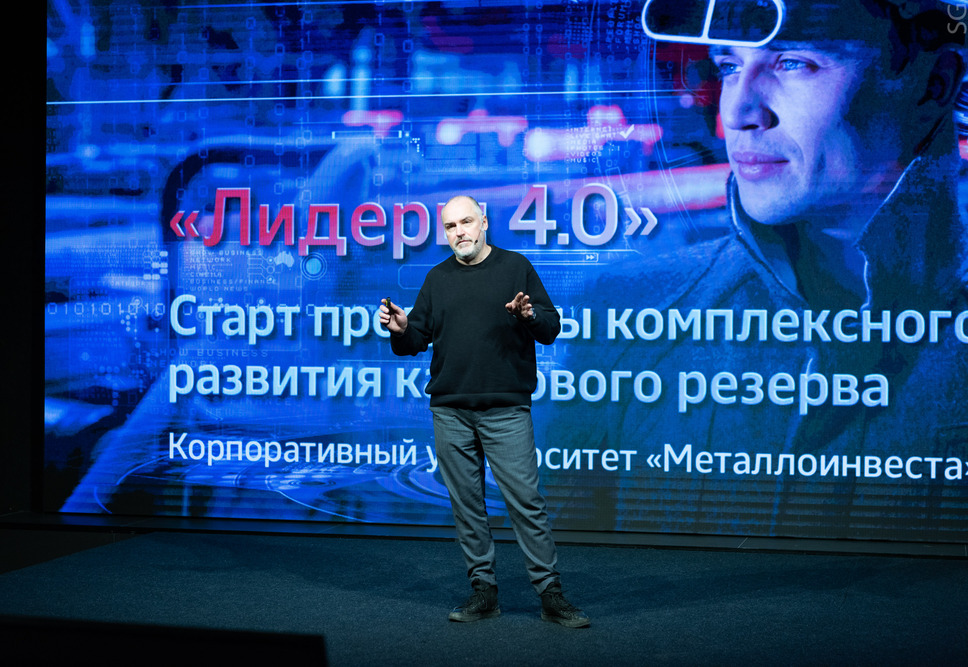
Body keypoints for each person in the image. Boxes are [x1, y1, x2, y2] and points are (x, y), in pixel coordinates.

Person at [551, 0, 967, 537]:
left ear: (934, 85)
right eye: (729, 66)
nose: (739, 111)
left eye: (793, 63)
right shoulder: (626, 314)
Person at [379, 194, 590, 628]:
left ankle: (550, 594)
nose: (459, 232)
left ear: (484, 223)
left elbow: (551, 327)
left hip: (505, 410)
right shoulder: (437, 278)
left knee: (526, 504)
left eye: (466, 222)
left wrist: (528, 315)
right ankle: (484, 592)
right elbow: (414, 339)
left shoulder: (515, 267)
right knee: (467, 506)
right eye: (451, 226)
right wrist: (400, 330)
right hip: (450, 411)